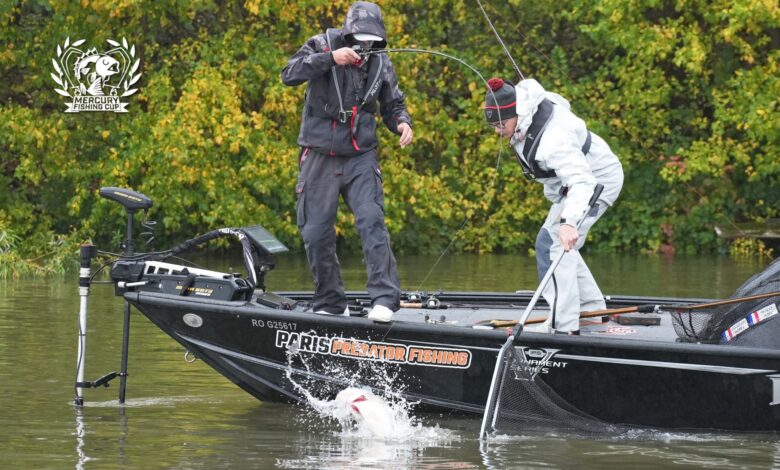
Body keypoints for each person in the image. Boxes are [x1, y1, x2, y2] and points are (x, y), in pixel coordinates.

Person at [281, 1, 413, 323]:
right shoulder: (321, 44)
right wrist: (329, 59)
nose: (365, 45)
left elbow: (393, 103)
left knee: (371, 220)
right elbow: (289, 74)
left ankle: (384, 299)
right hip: (320, 155)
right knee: (316, 231)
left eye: (371, 40)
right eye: (359, 39)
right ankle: (330, 300)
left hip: (360, 156)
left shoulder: (381, 62)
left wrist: (402, 122)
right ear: (347, 32)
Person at [484, 77, 623, 334]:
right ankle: (591, 311)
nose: (497, 131)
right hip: (574, 184)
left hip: (595, 181)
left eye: (501, 124)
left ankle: (564, 326)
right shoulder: (523, 112)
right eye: (492, 125)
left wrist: (569, 223)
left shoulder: (553, 141)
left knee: (554, 243)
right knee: (552, 242)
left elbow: (583, 180)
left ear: (516, 113)